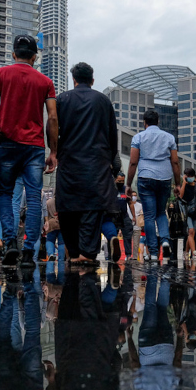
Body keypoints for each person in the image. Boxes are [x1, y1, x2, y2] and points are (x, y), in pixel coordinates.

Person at [0, 34, 58, 268]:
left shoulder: (0, 75)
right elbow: (53, 117)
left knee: (5, 195)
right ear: (35, 57)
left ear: (14, 54)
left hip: (7, 144)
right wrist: (53, 151)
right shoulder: (45, 81)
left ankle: (9, 244)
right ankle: (27, 252)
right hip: (34, 147)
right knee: (34, 198)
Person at [54, 62, 121, 266]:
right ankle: (88, 252)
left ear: (73, 79)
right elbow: (112, 136)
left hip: (68, 163)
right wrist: (111, 161)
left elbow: (53, 128)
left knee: (67, 208)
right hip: (96, 164)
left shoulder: (62, 99)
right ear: (92, 80)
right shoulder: (103, 101)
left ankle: (74, 252)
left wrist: (54, 151)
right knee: (93, 208)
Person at [125, 109, 179, 262]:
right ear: (158, 122)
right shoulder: (169, 137)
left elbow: (133, 162)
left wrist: (128, 184)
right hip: (165, 178)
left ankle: (154, 253)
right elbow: (175, 162)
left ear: (144, 122)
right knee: (161, 212)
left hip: (146, 177)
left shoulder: (139, 137)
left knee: (149, 215)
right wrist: (178, 183)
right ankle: (166, 240)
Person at [177, 167, 196, 259]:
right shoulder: (184, 186)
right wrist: (184, 182)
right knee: (191, 231)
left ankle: (186, 252)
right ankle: (194, 252)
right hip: (187, 213)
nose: (189, 178)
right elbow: (181, 195)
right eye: (187, 176)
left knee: (191, 234)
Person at [43, 195, 64, 262]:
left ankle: (50, 254)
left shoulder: (48, 202)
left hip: (51, 223)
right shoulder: (63, 201)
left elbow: (45, 213)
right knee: (61, 242)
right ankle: (61, 257)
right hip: (61, 222)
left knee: (50, 240)